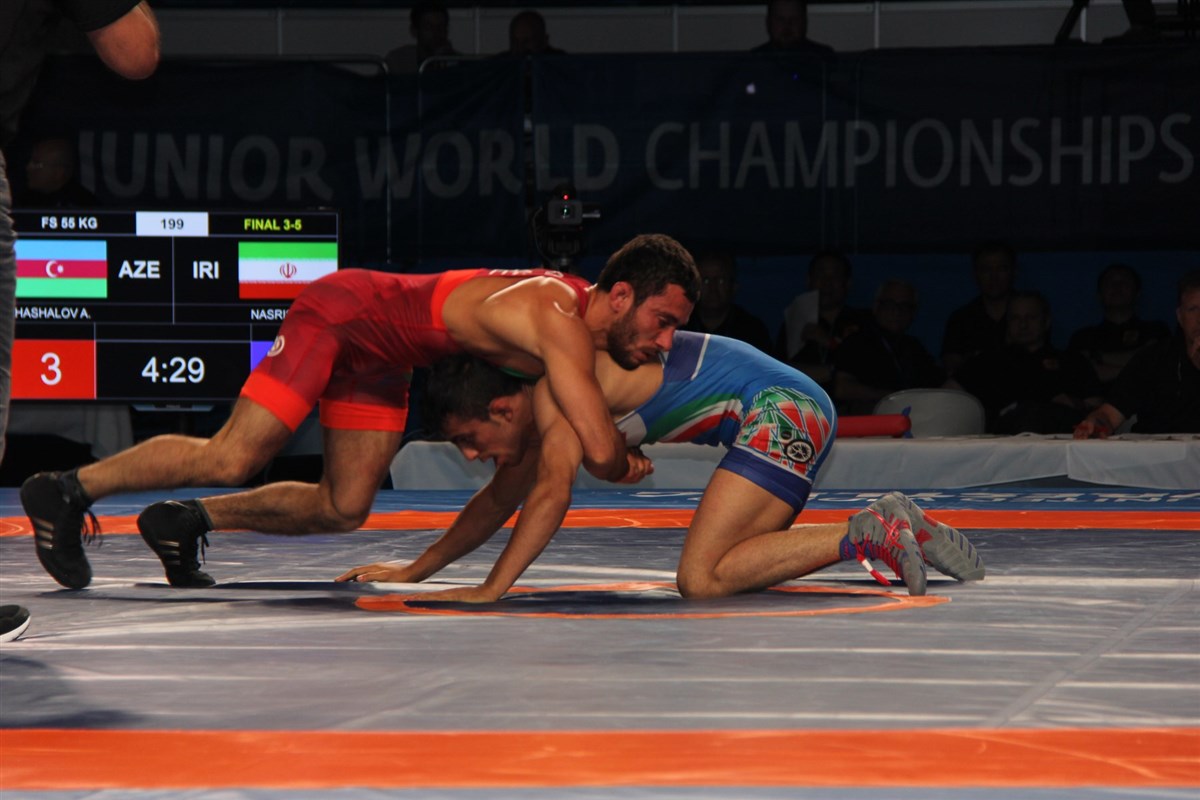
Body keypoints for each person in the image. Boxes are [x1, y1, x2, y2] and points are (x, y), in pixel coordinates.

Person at [20, 234, 701, 590]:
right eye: (663, 321)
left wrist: (419, 571)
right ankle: (66, 489)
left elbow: (519, 481)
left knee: (344, 506)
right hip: (342, 314)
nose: (666, 341)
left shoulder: (570, 335)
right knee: (235, 455)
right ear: (619, 296)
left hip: (382, 359)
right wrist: (625, 461)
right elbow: (600, 454)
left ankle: (187, 521)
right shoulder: (558, 320)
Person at [338, 333, 987, 601]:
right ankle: (896, 525)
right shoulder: (544, 406)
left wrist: (490, 591)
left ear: (503, 408)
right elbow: (495, 503)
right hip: (790, 407)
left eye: (468, 440)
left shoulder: (558, 394)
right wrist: (416, 570)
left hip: (781, 408)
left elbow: (549, 498)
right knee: (734, 567)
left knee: (700, 578)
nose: (471, 457)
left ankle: (870, 530)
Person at [949, 291, 1100, 434]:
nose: (1023, 325)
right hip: (1003, 440)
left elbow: (1098, 411)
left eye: (1031, 317)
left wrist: (1076, 405)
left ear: (1046, 321)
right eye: (1015, 318)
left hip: (1059, 439)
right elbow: (947, 396)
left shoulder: (1072, 361)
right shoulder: (987, 362)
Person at [1074, 270, 1200, 437]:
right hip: (1156, 450)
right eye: (1193, 309)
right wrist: (1094, 425)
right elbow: (1109, 414)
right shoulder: (1154, 357)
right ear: (1180, 316)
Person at [833, 279, 945, 415]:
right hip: (872, 417)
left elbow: (937, 384)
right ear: (876, 307)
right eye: (889, 304)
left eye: (904, 306)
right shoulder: (857, 341)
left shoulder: (915, 348)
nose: (896, 311)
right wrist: (892, 397)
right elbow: (842, 388)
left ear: (913, 313)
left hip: (914, 416)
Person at [775, 251, 870, 392]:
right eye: (820, 275)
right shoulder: (795, 322)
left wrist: (829, 343)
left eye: (835, 276)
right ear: (809, 280)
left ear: (847, 283)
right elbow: (778, 368)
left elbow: (869, 365)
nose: (827, 283)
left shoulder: (863, 321)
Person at [1067, 263, 1170, 389]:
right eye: (1109, 282)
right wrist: (1139, 362)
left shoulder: (1155, 330)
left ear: (1137, 293)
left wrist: (1097, 357)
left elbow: (1160, 368)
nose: (1117, 286)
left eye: (1124, 282)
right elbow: (1079, 375)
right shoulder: (1083, 338)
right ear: (1099, 294)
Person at [941, 242, 1017, 377]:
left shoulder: (1030, 314)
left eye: (1001, 269)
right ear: (976, 274)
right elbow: (951, 366)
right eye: (986, 270)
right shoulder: (961, 319)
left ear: (1013, 272)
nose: (994, 277)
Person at [680, 249, 772, 353]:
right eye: (705, 280)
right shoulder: (680, 326)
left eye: (720, 280)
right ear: (694, 287)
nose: (713, 288)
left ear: (733, 286)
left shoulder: (752, 330)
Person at [18, 135, 98, 207]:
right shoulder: (24, 200)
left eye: (37, 164)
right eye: (30, 161)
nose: (28, 168)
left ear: (59, 173)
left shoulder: (83, 206)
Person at [385, 1, 459, 75]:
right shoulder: (398, 61)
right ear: (414, 31)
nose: (436, 32)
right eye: (429, 27)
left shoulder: (458, 62)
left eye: (440, 27)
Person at [752, 0, 833, 53]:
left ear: (804, 22)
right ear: (768, 22)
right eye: (780, 20)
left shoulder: (824, 58)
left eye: (794, 19)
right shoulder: (753, 61)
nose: (787, 25)